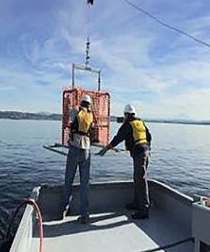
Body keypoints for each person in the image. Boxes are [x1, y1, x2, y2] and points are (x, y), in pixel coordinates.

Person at [98, 104, 152, 219]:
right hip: (145, 152)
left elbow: (118, 138)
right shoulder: (140, 122)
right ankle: (136, 203)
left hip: (140, 154)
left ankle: (144, 210)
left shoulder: (128, 124)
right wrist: (146, 148)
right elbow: (149, 136)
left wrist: (106, 149)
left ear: (126, 114)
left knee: (141, 181)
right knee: (138, 179)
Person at [60, 94, 94, 223]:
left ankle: (64, 209)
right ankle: (85, 215)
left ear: (81, 103)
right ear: (89, 104)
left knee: (68, 179)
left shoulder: (75, 111)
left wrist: (71, 98)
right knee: (85, 184)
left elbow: (67, 109)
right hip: (86, 149)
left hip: (74, 148)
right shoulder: (91, 116)